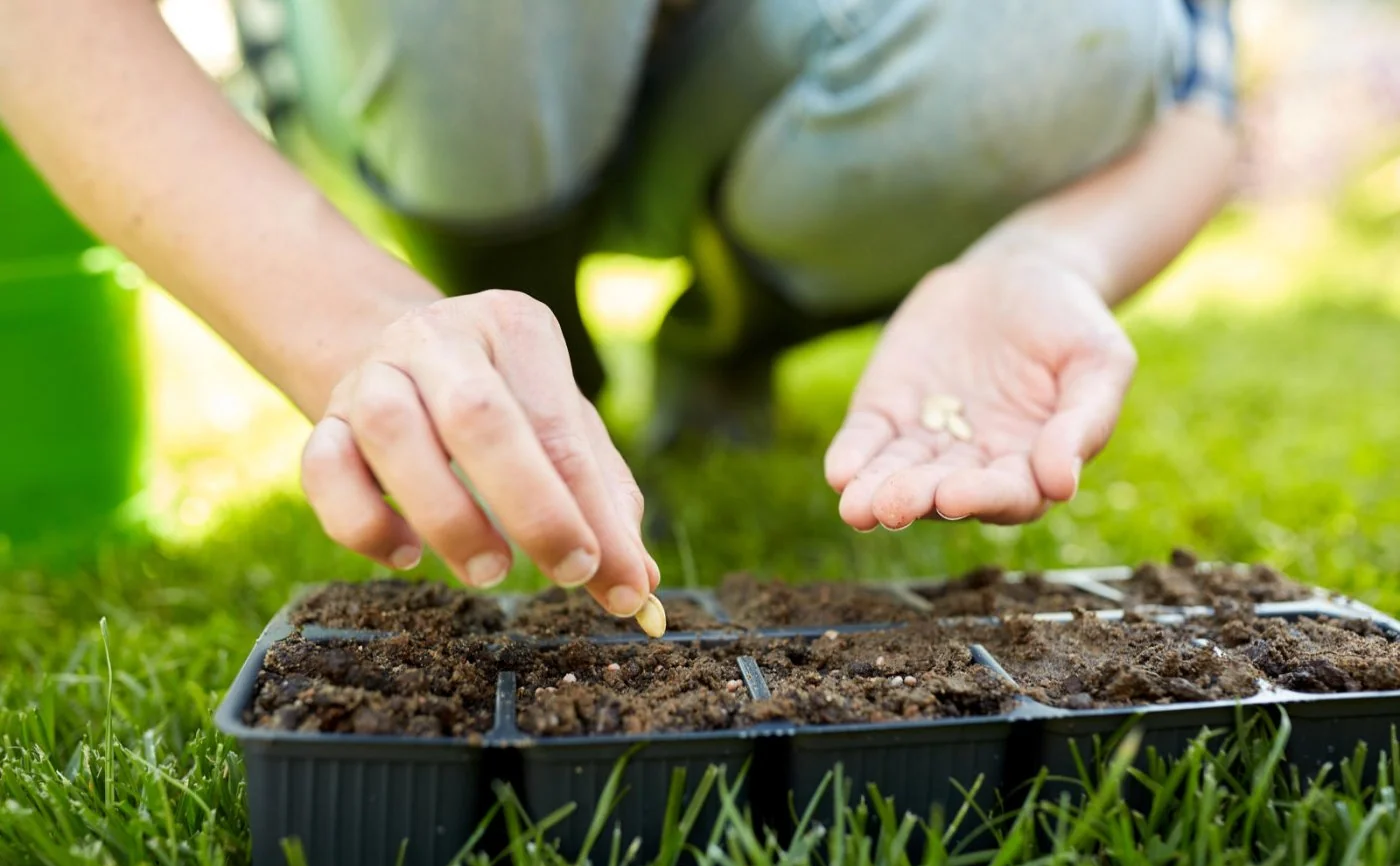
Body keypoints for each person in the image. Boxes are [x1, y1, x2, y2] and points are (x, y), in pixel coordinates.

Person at [0, 0, 1237, 622]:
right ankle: (512, 320)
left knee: (1062, 32)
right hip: (436, 70)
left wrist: (1046, 253)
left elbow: (1186, 69)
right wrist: (348, 318)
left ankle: (726, 343)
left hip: (783, 66)